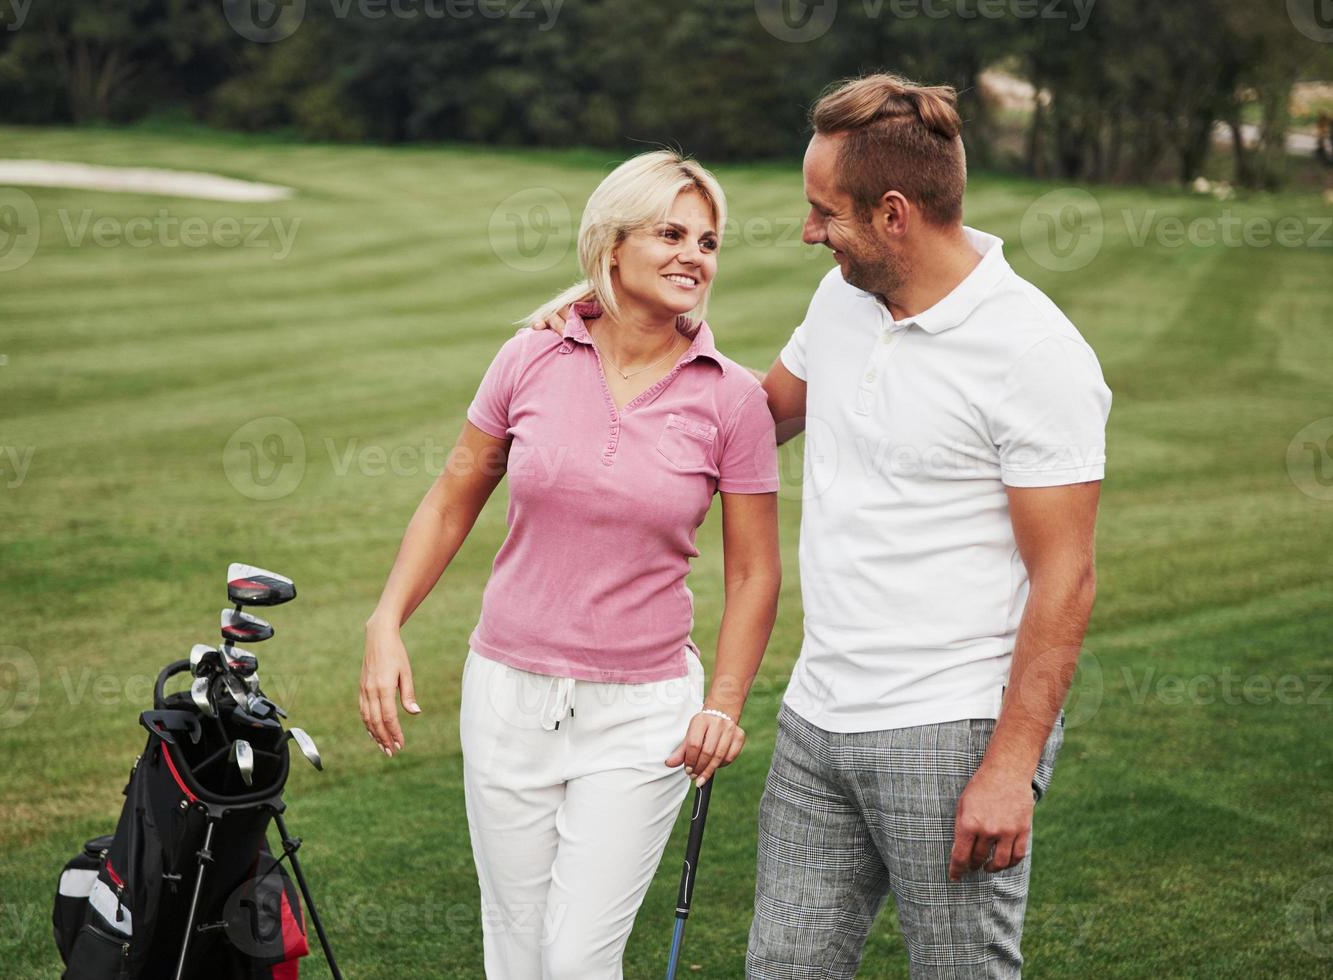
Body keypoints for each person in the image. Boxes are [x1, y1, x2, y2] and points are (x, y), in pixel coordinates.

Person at [360, 150, 781, 979]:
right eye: (670, 232)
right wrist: (385, 621)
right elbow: (452, 500)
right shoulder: (530, 357)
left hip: (645, 716)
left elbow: (752, 574)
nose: (694, 254)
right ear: (612, 243)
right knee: (513, 953)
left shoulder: (732, 398)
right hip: (506, 694)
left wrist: (724, 705)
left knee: (576, 961)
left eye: (708, 240)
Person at [747, 74, 1111, 978]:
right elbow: (756, 416)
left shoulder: (1034, 353)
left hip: (950, 733)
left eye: (823, 213)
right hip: (813, 721)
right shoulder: (841, 301)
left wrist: (1009, 767)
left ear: (894, 214)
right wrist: (624, 334)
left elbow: (1065, 577)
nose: (807, 232)